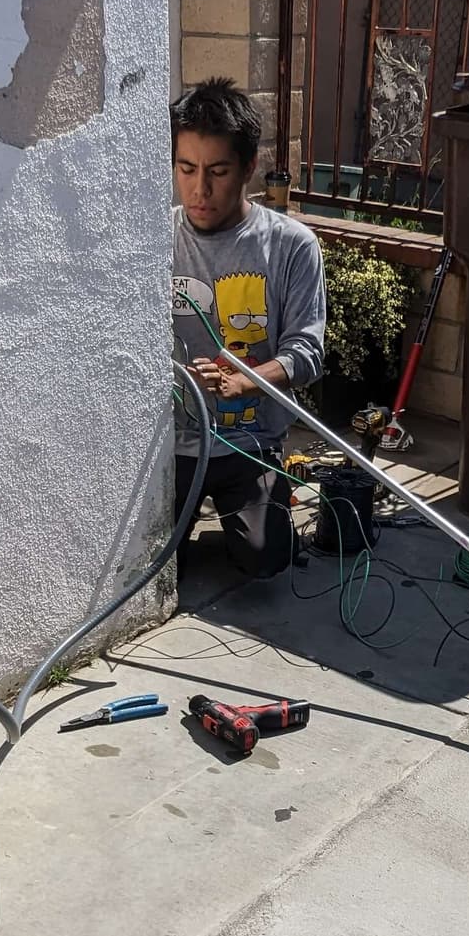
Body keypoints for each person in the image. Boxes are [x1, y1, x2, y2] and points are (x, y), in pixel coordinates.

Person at [171, 76, 326, 579]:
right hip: (173, 444)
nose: (200, 189)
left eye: (217, 171)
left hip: (251, 440)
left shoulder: (290, 246)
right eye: (186, 168)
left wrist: (246, 379)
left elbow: (308, 351)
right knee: (154, 565)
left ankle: (255, 515)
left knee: (266, 559)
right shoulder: (155, 241)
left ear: (249, 168)